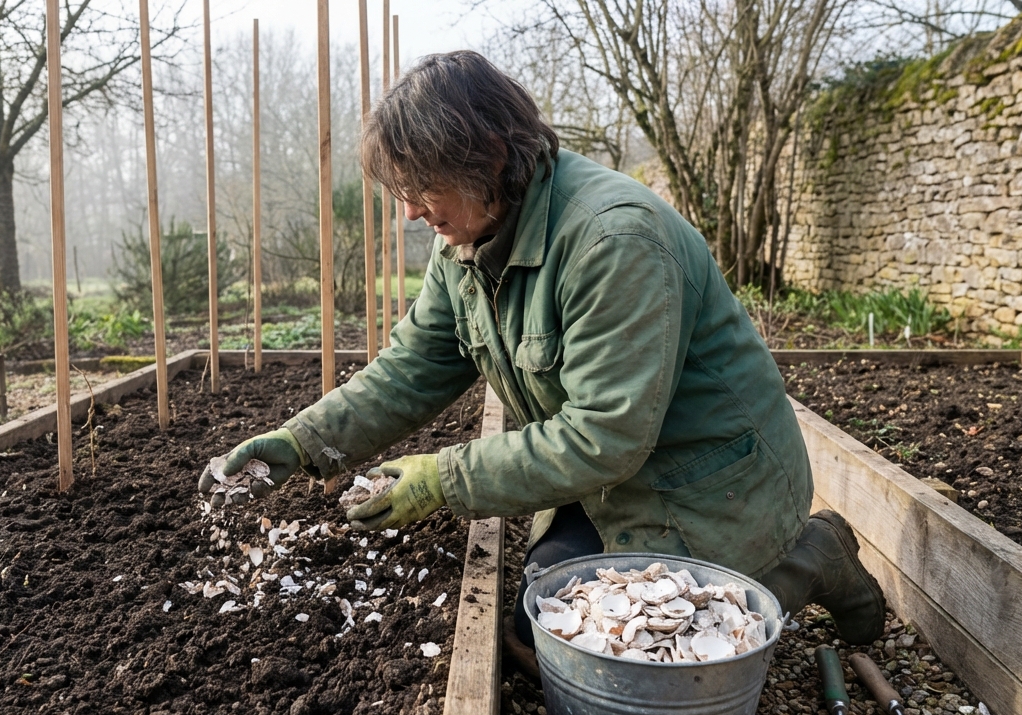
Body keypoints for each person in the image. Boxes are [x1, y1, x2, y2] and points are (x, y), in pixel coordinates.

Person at [197, 51, 885, 674]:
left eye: (423, 186)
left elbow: (602, 436)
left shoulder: (613, 241)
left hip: (712, 487)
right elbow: (413, 364)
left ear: (491, 154)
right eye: (401, 190)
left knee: (632, 644)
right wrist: (302, 443)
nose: (409, 211)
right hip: (616, 485)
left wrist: (444, 478)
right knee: (544, 622)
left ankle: (805, 559)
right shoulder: (466, 242)